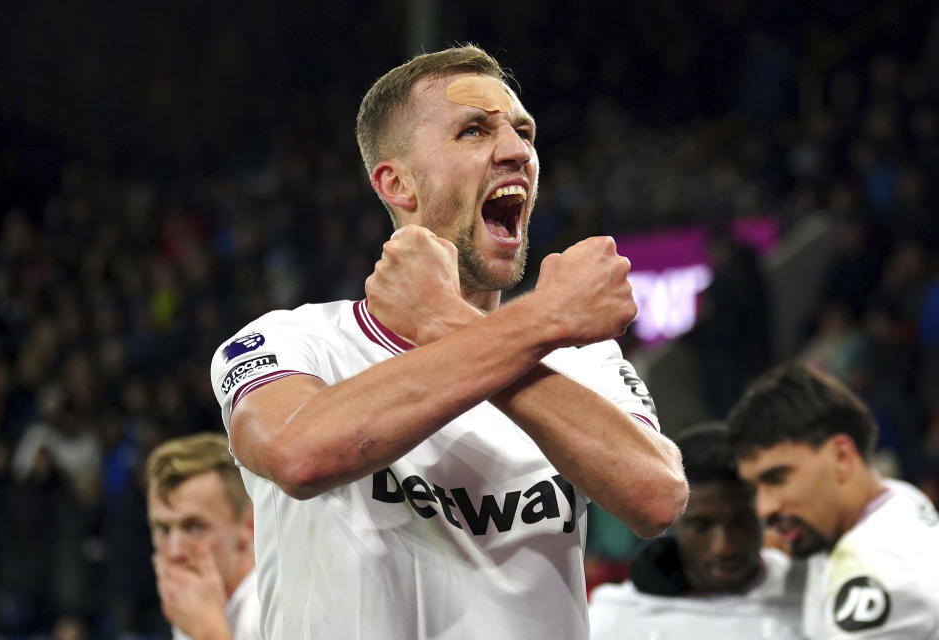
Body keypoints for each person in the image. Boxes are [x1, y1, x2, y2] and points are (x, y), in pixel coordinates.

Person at [210, 45, 688, 639]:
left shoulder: (581, 359)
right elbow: (298, 453)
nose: (517, 151)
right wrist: (540, 320)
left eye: (523, 132)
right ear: (397, 183)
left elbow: (657, 496)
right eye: (473, 131)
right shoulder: (291, 341)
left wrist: (449, 324)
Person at [727, 362, 939, 638]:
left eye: (777, 478)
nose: (764, 508)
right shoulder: (894, 498)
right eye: (755, 488)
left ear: (840, 456)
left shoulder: (878, 576)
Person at [588, 423, 805, 639]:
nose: (726, 547)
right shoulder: (615, 619)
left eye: (741, 521)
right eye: (702, 526)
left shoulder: (810, 592)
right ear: (671, 519)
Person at [145, 433, 260, 640]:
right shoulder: (195, 602)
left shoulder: (277, 607)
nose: (175, 551)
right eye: (163, 529)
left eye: (195, 527)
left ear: (248, 527)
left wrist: (208, 633)